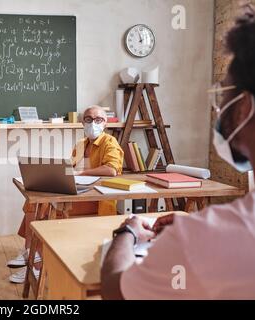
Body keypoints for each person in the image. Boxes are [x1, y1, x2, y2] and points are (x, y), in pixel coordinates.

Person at [101, 12, 255, 299]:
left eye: (223, 96)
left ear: (245, 107)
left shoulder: (201, 240)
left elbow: (115, 289)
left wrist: (128, 231)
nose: (219, 108)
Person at [8, 105, 124, 283]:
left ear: (105, 123)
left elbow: (112, 170)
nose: (93, 123)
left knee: (46, 207)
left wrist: (80, 174)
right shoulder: (81, 144)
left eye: (98, 119)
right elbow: (69, 168)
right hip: (77, 191)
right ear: (82, 122)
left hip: (96, 198)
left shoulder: (110, 142)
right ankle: (30, 253)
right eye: (88, 119)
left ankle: (37, 265)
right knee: (33, 202)